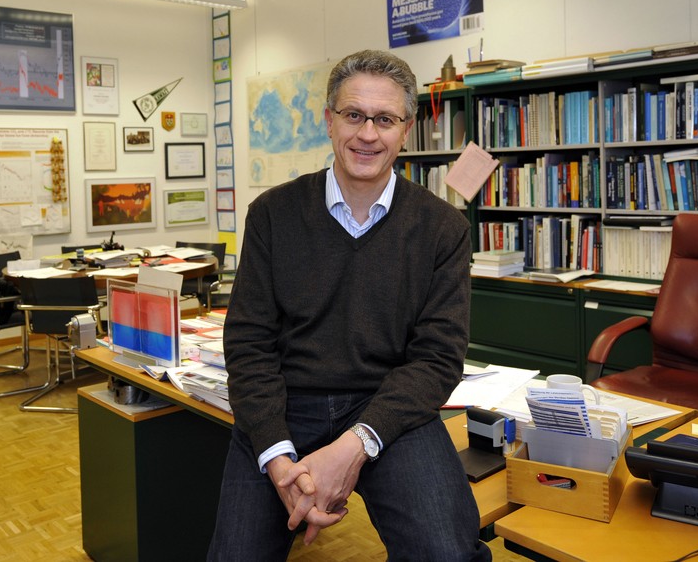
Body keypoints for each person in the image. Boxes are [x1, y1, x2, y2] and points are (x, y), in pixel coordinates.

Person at [207, 49, 491, 562]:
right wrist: (276, 458)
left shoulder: (443, 229)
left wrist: (354, 446)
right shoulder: (272, 214)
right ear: (329, 121)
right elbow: (249, 344)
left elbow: (437, 358)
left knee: (448, 553)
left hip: (388, 406)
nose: (367, 134)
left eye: (385, 119)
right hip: (285, 405)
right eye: (353, 115)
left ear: (406, 129)